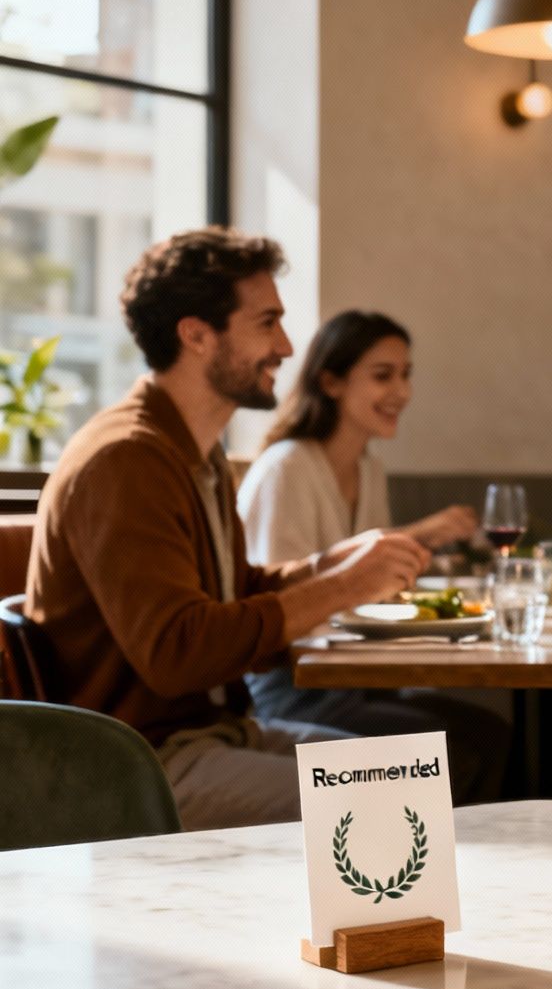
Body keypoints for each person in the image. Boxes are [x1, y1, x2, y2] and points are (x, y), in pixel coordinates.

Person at [26, 228, 435, 830]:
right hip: (139, 760)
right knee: (392, 804)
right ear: (196, 335)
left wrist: (328, 566)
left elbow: (232, 592)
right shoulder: (126, 460)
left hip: (216, 732)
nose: (287, 346)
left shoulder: (195, 451)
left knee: (412, 775)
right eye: (267, 323)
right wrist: (343, 588)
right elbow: (179, 653)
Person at [237, 309, 508, 801]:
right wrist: (420, 535)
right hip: (293, 691)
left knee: (490, 733)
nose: (402, 392)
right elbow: (281, 605)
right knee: (458, 752)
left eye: (406, 375)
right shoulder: (286, 470)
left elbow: (377, 588)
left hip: (353, 681)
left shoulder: (368, 469)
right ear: (331, 382)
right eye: (383, 376)